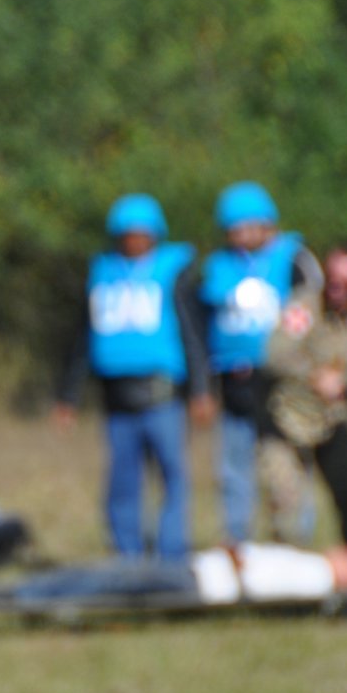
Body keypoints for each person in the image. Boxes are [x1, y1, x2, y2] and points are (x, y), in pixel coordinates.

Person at [52, 193, 209, 560]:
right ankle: (128, 555)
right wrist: (67, 397)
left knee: (172, 476)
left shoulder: (173, 272)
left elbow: (192, 334)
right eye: (127, 234)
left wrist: (201, 390)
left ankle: (172, 554)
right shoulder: (102, 274)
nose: (133, 240)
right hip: (116, 400)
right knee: (122, 482)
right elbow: (81, 339)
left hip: (162, 396)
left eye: (141, 233)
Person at [198, 181, 323, 544]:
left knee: (286, 462)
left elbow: (311, 315)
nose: (238, 236)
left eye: (244, 227)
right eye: (231, 230)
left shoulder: (295, 258)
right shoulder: (219, 264)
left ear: (265, 223)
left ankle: (294, 538)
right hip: (235, 380)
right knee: (234, 465)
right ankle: (237, 542)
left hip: (282, 379)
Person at [261, 245, 347, 554]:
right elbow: (275, 353)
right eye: (333, 282)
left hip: (335, 420)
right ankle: (288, 582)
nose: (338, 291)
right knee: (285, 501)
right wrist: (315, 375)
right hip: (288, 418)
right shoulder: (303, 306)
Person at [0, 540, 347, 609]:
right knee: (103, 575)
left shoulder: (318, 579)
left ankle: (7, 596)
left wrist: (235, 558)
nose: (343, 550)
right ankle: (7, 592)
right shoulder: (312, 567)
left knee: (105, 580)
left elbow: (258, 586)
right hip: (199, 570)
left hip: (201, 582)